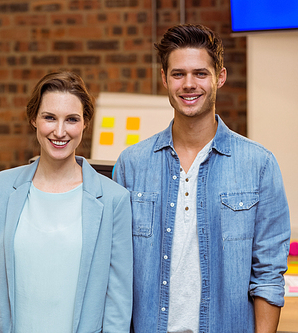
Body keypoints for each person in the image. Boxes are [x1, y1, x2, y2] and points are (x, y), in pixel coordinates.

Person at [114, 24, 291, 332]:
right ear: (164, 79)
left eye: (200, 73)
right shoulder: (132, 165)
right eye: (178, 74)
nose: (189, 84)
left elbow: (268, 276)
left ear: (219, 77)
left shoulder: (259, 164)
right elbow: (114, 271)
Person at [0, 71, 132, 333]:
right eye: (49, 117)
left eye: (72, 119)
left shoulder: (113, 200)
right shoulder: (3, 187)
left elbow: (117, 305)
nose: (60, 131)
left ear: (85, 123)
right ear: (34, 119)